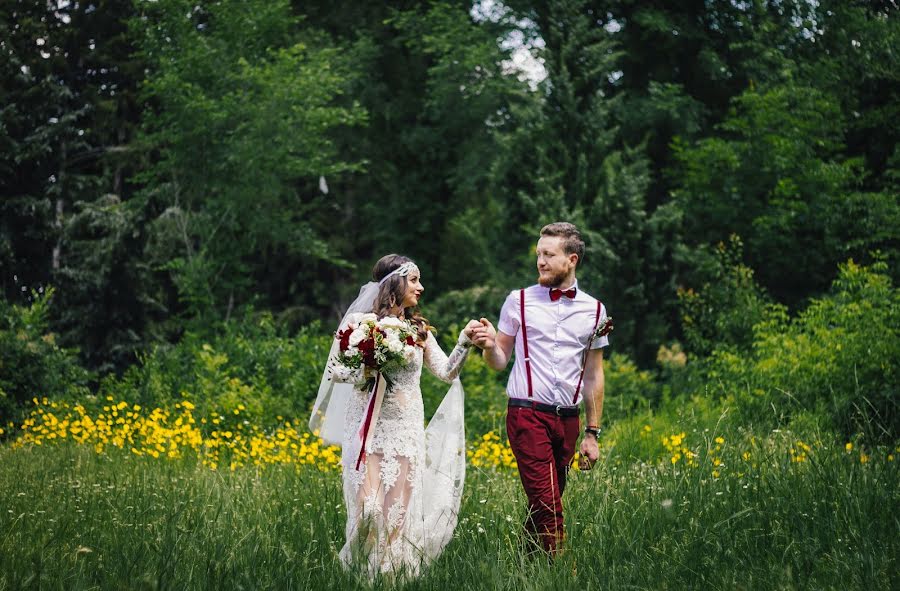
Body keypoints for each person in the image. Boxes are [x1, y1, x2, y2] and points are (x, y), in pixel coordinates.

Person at [309, 254, 480, 579]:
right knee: (369, 512)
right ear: (395, 283)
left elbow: (446, 372)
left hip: (405, 432)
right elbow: (339, 373)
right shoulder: (359, 325)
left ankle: (388, 580)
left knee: (396, 519)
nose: (421, 287)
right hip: (367, 429)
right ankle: (354, 572)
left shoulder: (418, 330)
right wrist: (369, 365)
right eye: (414, 280)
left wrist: (464, 342)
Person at [471, 222, 610, 556]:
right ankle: (563, 572)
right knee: (548, 504)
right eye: (538, 254)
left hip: (569, 421)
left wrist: (592, 433)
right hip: (526, 415)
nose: (541, 262)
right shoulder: (517, 301)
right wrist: (490, 346)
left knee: (545, 502)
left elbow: (593, 375)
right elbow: (500, 360)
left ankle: (523, 564)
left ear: (572, 259)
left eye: (549, 255)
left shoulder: (594, 310)